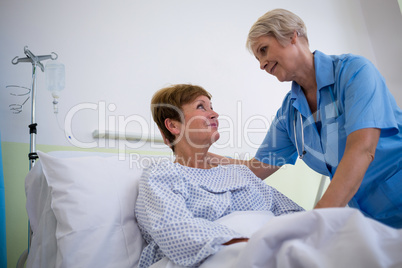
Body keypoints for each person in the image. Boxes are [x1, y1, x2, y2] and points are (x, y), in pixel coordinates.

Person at [210, 8, 402, 228]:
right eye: (258, 58)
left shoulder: (354, 72)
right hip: (371, 221)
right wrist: (204, 157)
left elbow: (362, 148)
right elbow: (256, 169)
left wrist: (316, 220)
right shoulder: (289, 113)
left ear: (292, 35)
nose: (261, 64)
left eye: (263, 50)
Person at [135, 84, 304, 267]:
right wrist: (252, 244)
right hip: (231, 255)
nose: (215, 114)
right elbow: (175, 230)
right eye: (201, 106)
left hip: (273, 250)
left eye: (212, 107)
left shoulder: (238, 173)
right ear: (173, 125)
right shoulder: (162, 176)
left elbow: (291, 212)